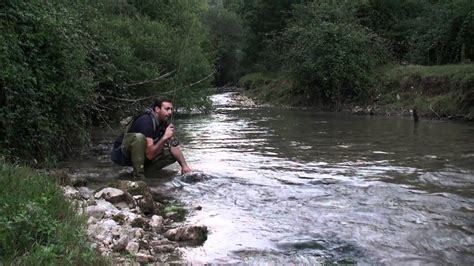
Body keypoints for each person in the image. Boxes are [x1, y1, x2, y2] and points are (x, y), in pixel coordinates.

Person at [111, 96, 192, 178]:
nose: (170, 112)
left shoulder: (163, 123)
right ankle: (139, 177)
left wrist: (184, 166)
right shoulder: (146, 121)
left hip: (141, 155)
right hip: (121, 154)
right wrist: (164, 137)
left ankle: (146, 174)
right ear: (157, 109)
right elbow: (150, 155)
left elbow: (174, 145)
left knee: (172, 154)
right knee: (139, 138)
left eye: (171, 109)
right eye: (167, 109)